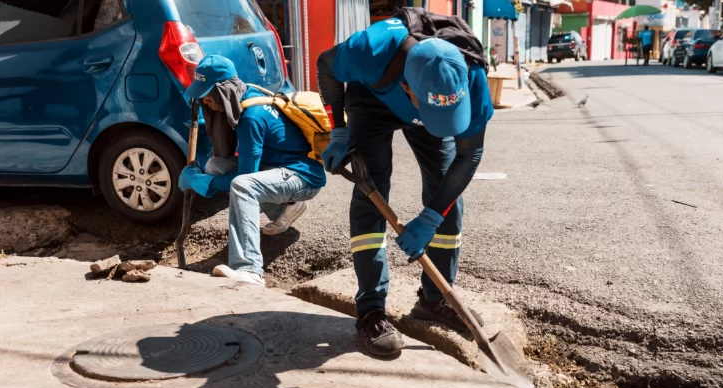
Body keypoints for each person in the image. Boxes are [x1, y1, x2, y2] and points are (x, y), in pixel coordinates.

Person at [316, 15, 491, 356]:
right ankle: (371, 311)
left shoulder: (471, 75)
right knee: (372, 193)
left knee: (447, 196)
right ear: (408, 88)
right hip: (373, 101)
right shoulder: (370, 50)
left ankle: (434, 300)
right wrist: (337, 130)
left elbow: (469, 156)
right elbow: (326, 67)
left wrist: (430, 218)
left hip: (428, 102)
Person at [179, 55, 326, 285]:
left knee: (242, 185)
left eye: (208, 97)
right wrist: (202, 171)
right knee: (214, 166)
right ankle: (282, 211)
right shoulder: (248, 95)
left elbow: (244, 178)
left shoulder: (251, 117)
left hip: (303, 177)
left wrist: (200, 182)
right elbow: (226, 160)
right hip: (278, 169)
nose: (206, 102)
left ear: (223, 91)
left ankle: (249, 269)